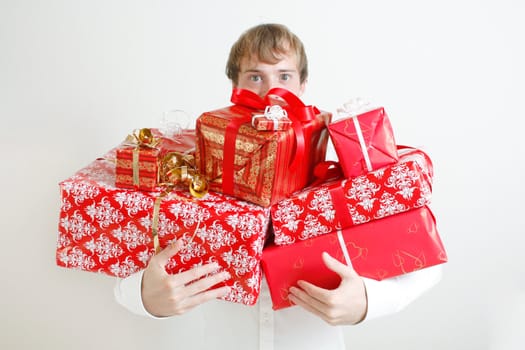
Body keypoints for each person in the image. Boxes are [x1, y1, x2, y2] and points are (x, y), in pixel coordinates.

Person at [114, 23, 443, 350]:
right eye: (255, 77)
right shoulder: (199, 174)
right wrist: (145, 298)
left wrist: (370, 300)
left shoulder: (340, 173)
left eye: (284, 76)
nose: (270, 92)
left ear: (303, 85)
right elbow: (125, 262)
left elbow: (424, 256)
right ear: (234, 85)